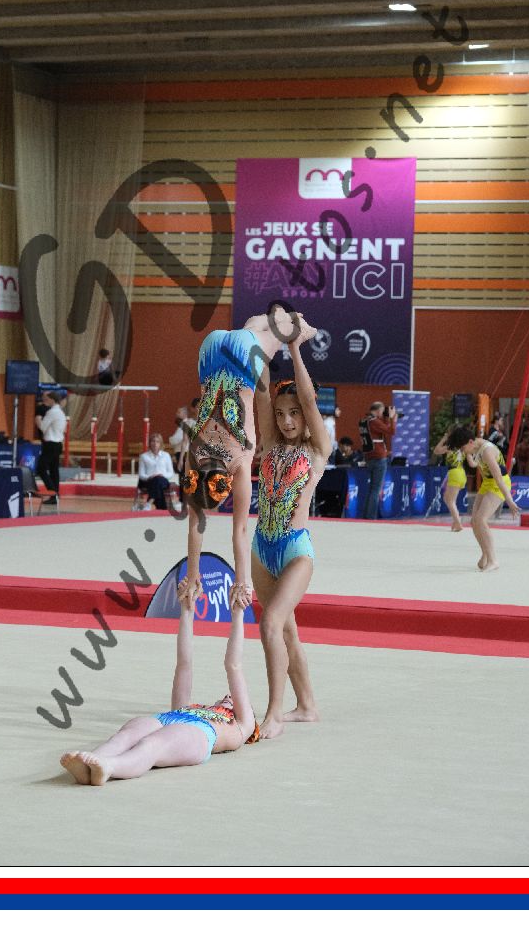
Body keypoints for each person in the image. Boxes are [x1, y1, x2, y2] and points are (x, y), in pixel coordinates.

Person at [60, 579, 257, 785]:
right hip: (169, 718)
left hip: (201, 732)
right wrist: (186, 610)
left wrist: (238, 614)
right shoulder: (188, 708)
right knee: (125, 737)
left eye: (234, 699)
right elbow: (184, 664)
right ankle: (91, 764)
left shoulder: (242, 726)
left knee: (152, 744)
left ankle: (109, 767)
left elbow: (233, 666)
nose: (229, 696)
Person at [180, 303, 304, 609]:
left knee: (287, 330)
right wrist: (193, 575)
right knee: (251, 326)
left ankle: (294, 321)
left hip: (242, 360)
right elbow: (196, 527)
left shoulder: (239, 463)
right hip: (210, 350)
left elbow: (241, 530)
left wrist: (242, 581)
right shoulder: (194, 458)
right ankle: (272, 316)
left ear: (223, 489)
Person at [251, 316, 328, 739]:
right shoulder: (269, 445)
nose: (286, 421)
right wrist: (266, 345)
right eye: (281, 415)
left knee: (270, 624)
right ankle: (307, 705)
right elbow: (263, 393)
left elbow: (310, 399)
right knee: (286, 630)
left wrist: (295, 347)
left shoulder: (317, 449)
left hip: (296, 549)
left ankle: (275, 714)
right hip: (262, 547)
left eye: (293, 413)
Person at [447, 426, 521, 571]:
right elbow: (477, 465)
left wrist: (509, 500)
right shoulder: (474, 446)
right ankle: (486, 553)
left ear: (470, 442)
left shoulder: (487, 451)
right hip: (487, 483)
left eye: (463, 448)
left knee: (481, 519)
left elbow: (499, 479)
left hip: (499, 483)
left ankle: (493, 560)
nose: (462, 452)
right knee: (474, 522)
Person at [359, 400, 397, 519]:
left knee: (371, 489)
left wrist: (386, 418)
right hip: (379, 457)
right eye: (381, 411)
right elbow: (391, 431)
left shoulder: (364, 421)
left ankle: (366, 516)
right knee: (376, 490)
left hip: (369, 457)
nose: (382, 413)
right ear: (377, 410)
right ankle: (371, 517)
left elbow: (381, 431)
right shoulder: (374, 421)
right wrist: (393, 419)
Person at [431, 428, 466, 532]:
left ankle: (458, 523)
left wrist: (444, 439)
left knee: (450, 501)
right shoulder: (463, 447)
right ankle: (456, 520)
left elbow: (436, 450)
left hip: (455, 473)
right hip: (461, 472)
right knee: (447, 498)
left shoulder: (450, 447)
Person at [36, 391, 67, 506]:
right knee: (54, 470)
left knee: (40, 468)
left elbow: (43, 427)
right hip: (58, 443)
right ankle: (55, 495)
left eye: (47, 399)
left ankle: (53, 492)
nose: (45, 401)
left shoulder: (52, 412)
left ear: (52, 400)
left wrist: (38, 419)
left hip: (50, 444)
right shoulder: (61, 412)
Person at [135, 433, 179, 510]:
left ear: (160, 444)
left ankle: (150, 502)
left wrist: (162, 475)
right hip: (149, 481)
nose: (155, 443)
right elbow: (141, 474)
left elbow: (171, 473)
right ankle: (161, 506)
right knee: (158, 481)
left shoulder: (166, 455)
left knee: (159, 480)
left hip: (163, 480)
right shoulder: (144, 456)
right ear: (149, 443)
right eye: (153, 441)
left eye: (157, 441)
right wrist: (150, 477)